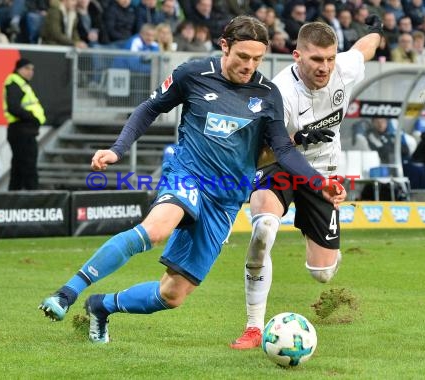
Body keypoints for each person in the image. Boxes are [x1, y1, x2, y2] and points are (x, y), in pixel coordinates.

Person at [38, 15, 344, 344]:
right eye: (242, 57)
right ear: (224, 46)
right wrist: (118, 149)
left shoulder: (267, 94)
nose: (249, 66)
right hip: (187, 175)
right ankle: (66, 293)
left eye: (256, 59)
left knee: (173, 294)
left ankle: (101, 306)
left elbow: (283, 150)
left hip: (225, 198)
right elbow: (149, 108)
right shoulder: (193, 74)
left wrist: (317, 182)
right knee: (155, 230)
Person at [229, 17, 382, 350]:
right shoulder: (278, 92)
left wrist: (375, 30)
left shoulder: (344, 68)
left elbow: (363, 49)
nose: (325, 67)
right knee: (264, 228)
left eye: (330, 58)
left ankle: (316, 238)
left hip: (323, 171)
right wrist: (297, 137)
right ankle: (254, 327)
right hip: (280, 166)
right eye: (316, 59)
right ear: (297, 56)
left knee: (322, 274)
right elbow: (262, 154)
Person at [3, 58, 46, 190]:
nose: (30, 72)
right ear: (18, 69)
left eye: (32, 69)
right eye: (27, 68)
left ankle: (14, 199)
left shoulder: (22, 84)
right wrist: (32, 117)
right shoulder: (15, 82)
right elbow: (13, 107)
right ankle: (33, 200)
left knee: (19, 167)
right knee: (28, 166)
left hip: (24, 130)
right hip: (21, 130)